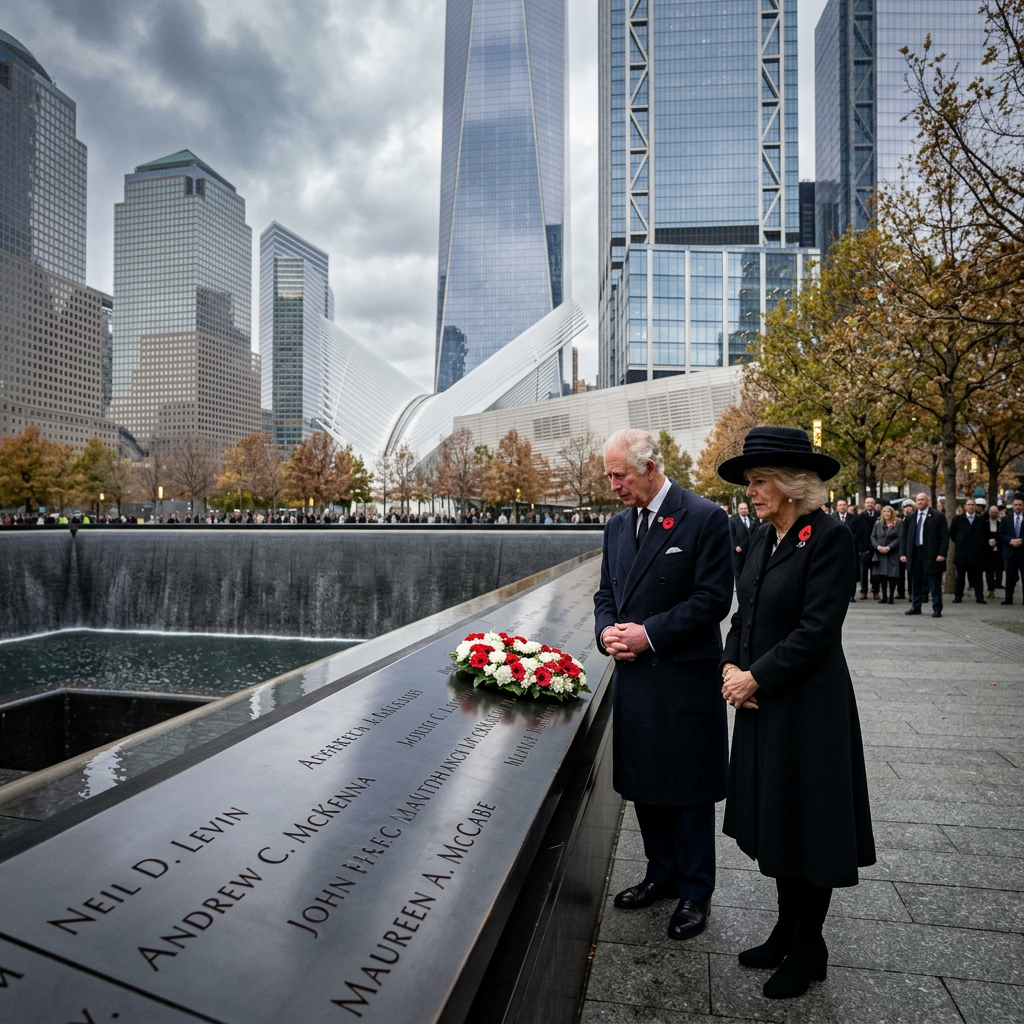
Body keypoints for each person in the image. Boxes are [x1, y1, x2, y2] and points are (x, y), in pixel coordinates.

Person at [716, 426, 875, 1000]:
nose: (750, 492)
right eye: (750, 483)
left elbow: (817, 631)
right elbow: (745, 614)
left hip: (809, 708)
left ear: (789, 484)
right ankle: (786, 932)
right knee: (779, 821)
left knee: (811, 826)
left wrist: (756, 676)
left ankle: (811, 949)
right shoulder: (763, 536)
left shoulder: (828, 538)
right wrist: (731, 669)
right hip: (763, 704)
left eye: (759, 482)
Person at [594, 427, 733, 943]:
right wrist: (607, 632)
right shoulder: (614, 527)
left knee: (688, 789)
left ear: (650, 468)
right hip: (635, 677)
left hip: (682, 678)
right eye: (609, 475)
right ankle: (661, 873)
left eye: (620, 475)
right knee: (646, 783)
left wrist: (649, 635)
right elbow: (604, 593)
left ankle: (696, 891)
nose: (613, 485)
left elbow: (714, 599)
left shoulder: (704, 518)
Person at [900, 492, 949, 617]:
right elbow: (904, 536)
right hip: (915, 552)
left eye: (922, 499)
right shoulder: (911, 517)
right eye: (918, 500)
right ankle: (916, 606)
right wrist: (903, 553)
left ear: (928, 501)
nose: (920, 502)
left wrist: (942, 553)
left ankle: (937, 608)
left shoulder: (938, 516)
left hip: (931, 553)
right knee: (915, 580)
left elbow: (944, 537)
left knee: (933, 581)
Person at [948, 498, 987, 604]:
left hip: (976, 553)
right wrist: (960, 540)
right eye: (968, 505)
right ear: (965, 507)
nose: (970, 506)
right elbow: (952, 533)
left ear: (975, 507)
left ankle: (979, 596)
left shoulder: (980, 520)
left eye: (973, 505)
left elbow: (985, 534)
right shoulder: (957, 519)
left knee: (978, 576)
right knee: (960, 576)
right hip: (962, 552)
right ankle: (958, 596)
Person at [871, 505, 901, 604]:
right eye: (884, 511)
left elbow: (900, 537)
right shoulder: (878, 524)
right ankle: (884, 596)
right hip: (880, 553)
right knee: (882, 575)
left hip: (892, 552)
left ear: (892, 513)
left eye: (888, 511)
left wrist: (889, 547)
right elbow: (873, 537)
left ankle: (891, 596)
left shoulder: (898, 523)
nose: (886, 513)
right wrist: (878, 547)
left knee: (892, 575)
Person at [998, 495, 1024, 605]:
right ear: (1012, 506)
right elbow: (1000, 534)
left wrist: (1021, 541)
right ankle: (1008, 598)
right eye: (1015, 505)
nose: (1017, 507)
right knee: (1009, 577)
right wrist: (1010, 541)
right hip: (1009, 552)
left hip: (1023, 552)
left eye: (1020, 505)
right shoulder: (1006, 519)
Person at [853, 496, 880, 599]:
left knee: (875, 572)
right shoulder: (859, 517)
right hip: (864, 548)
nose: (869, 504)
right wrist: (860, 546)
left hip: (876, 547)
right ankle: (863, 591)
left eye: (871, 503)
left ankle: (875, 591)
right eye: (867, 503)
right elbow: (857, 533)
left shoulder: (879, 515)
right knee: (863, 571)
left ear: (874, 504)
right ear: (865, 504)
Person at [831, 499, 857, 601]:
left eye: (844, 505)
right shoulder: (832, 518)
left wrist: (847, 540)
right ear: (837, 507)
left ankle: (851, 594)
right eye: (840, 505)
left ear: (847, 506)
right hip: (836, 550)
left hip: (850, 549)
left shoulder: (854, 518)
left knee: (850, 573)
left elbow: (857, 533)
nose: (842, 507)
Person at [730, 501, 760, 580]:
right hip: (739, 552)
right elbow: (731, 535)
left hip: (750, 551)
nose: (743, 510)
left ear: (748, 509)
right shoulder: (732, 520)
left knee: (750, 572)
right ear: (738, 510)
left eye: (745, 508)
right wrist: (735, 546)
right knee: (739, 573)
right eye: (741, 509)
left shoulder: (752, 520)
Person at [985, 504, 1004, 598]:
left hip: (999, 549)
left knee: (999, 568)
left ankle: (998, 584)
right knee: (989, 570)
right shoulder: (984, 523)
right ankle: (990, 589)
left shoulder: (1001, 523)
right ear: (989, 512)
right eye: (992, 512)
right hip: (987, 550)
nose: (993, 513)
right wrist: (988, 541)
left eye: (995, 512)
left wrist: (997, 542)